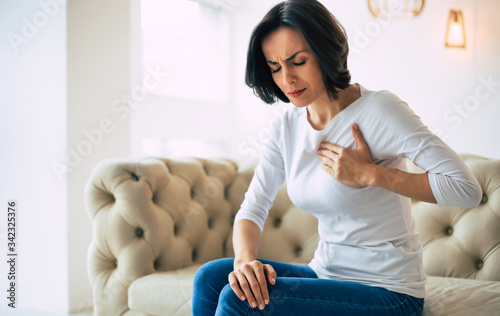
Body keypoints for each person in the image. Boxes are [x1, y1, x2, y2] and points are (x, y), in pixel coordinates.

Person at [192, 0, 483, 315]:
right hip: (326, 274)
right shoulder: (287, 127)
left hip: (389, 292)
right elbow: (253, 207)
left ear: (325, 52)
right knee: (212, 278)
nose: (286, 78)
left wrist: (372, 175)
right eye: (275, 67)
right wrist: (245, 263)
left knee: (239, 302)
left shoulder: (380, 109)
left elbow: (466, 190)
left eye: (298, 61)